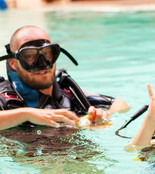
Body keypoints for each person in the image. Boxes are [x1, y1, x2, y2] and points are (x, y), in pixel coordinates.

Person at [0, 25, 130, 130]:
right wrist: (26, 114)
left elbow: (121, 105)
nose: (42, 64)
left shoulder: (67, 93)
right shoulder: (7, 99)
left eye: (47, 54)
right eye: (29, 56)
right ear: (13, 63)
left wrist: (102, 115)